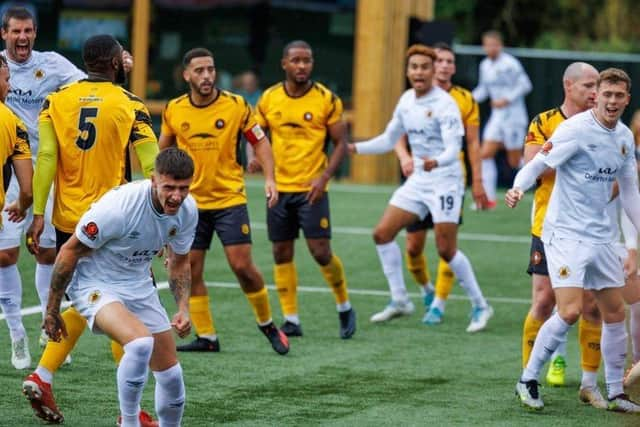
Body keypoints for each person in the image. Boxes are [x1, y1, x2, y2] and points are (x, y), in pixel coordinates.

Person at [22, 34, 159, 425]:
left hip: (69, 221)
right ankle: (126, 413)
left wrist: (37, 215)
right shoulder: (130, 104)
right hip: (116, 219)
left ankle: (44, 376)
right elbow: (151, 164)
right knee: (123, 306)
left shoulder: (56, 101)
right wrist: (162, 218)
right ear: (117, 63)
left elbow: (46, 156)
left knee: (94, 300)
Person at [26, 147, 197, 427]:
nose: (176, 196)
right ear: (153, 180)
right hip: (94, 283)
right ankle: (129, 422)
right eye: (169, 187)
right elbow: (69, 252)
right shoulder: (119, 207)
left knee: (171, 375)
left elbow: (179, 261)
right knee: (140, 343)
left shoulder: (188, 211)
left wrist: (182, 308)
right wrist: (52, 310)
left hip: (139, 285)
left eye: (184, 188)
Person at [508, 68, 640, 412]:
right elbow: (538, 164)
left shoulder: (625, 139)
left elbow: (630, 195)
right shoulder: (574, 130)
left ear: (627, 99)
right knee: (568, 311)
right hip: (565, 233)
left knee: (613, 312)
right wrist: (518, 187)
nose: (612, 101)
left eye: (618, 96)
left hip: (600, 237)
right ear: (596, 95)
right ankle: (528, 379)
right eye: (606, 94)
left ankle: (615, 393)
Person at [350, 44, 493, 333]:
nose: (419, 72)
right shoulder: (406, 101)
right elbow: (389, 139)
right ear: (408, 71)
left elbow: (455, 148)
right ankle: (400, 300)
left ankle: (480, 305)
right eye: (414, 67)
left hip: (446, 179)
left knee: (445, 249)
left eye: (424, 67)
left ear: (432, 72)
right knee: (382, 234)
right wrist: (355, 147)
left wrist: (435, 161)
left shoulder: (445, 104)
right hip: (419, 179)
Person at [159, 47, 289, 355]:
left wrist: (270, 178)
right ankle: (207, 337)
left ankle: (267, 323)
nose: (207, 76)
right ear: (186, 75)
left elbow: (261, 141)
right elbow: (162, 152)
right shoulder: (174, 109)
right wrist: (159, 190)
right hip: (189, 204)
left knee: (242, 266)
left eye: (211, 69)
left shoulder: (236, 105)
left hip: (230, 198)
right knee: (192, 268)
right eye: (200, 71)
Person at [518, 62, 609, 407]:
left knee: (589, 305)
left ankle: (589, 382)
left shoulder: (604, 124)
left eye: (598, 86)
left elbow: (613, 179)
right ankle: (530, 375)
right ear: (568, 86)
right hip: (548, 226)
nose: (595, 93)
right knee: (544, 302)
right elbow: (533, 165)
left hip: (589, 229)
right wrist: (573, 149)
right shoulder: (544, 122)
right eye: (589, 86)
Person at [0, 6, 85, 367]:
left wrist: (121, 65)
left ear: (35, 33)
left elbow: (87, 85)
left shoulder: (52, 64)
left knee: (47, 252)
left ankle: (50, 327)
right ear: (4, 33)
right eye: (16, 31)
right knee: (5, 255)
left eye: (29, 31)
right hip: (6, 166)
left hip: (45, 167)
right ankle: (17, 332)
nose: (23, 38)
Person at [253, 40, 355, 339]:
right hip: (279, 190)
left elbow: (341, 145)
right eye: (296, 60)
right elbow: (255, 135)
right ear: (284, 63)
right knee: (281, 251)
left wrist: (323, 178)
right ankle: (291, 319)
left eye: (307, 60)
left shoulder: (327, 99)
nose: (302, 66)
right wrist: (253, 159)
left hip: (312, 189)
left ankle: (344, 305)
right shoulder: (269, 98)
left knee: (321, 252)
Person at [0, 52, 33, 368]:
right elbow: (28, 186)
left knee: (7, 257)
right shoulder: (14, 123)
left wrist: (22, 204)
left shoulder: (13, 122)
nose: (9, 86)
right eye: (6, 79)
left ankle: (16, 332)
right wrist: (23, 205)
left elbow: (25, 189)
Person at [473, 30, 532, 208]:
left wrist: (506, 99)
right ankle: (488, 199)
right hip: (497, 118)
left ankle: (542, 178)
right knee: (484, 154)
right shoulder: (484, 65)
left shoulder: (510, 64)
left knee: (514, 161)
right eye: (487, 45)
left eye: (494, 44)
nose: (490, 48)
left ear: (500, 45)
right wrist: (466, 100)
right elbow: (483, 90)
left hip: (513, 117)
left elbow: (526, 85)